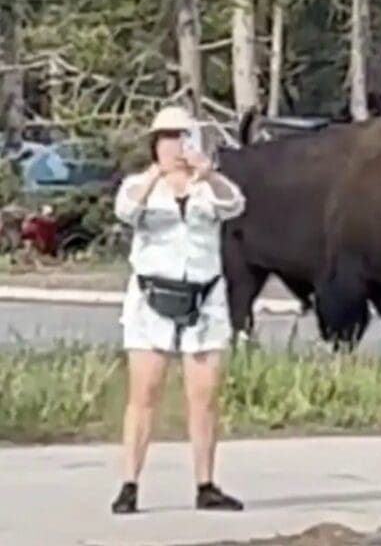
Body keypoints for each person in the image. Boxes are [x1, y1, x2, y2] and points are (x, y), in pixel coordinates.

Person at [110, 105, 246, 514]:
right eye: (166, 138)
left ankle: (205, 484)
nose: (174, 145)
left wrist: (208, 173)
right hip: (152, 299)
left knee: (203, 396)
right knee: (144, 393)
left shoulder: (209, 188)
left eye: (181, 137)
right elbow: (126, 211)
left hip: (203, 299)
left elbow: (234, 205)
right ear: (155, 144)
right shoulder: (140, 184)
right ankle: (130, 483)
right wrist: (157, 175)